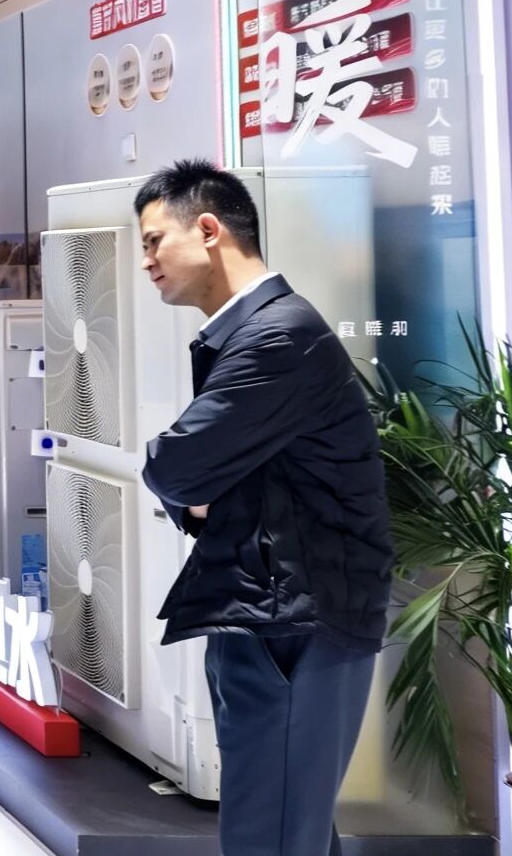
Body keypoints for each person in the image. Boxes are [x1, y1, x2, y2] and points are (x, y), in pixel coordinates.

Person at [133, 160, 393, 856]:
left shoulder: (277, 336)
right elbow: (194, 476)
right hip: (276, 612)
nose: (146, 261)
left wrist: (193, 497)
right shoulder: (256, 331)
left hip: (292, 624)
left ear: (208, 229)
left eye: (155, 241)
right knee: (288, 830)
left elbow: (172, 465)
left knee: (270, 836)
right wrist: (195, 501)